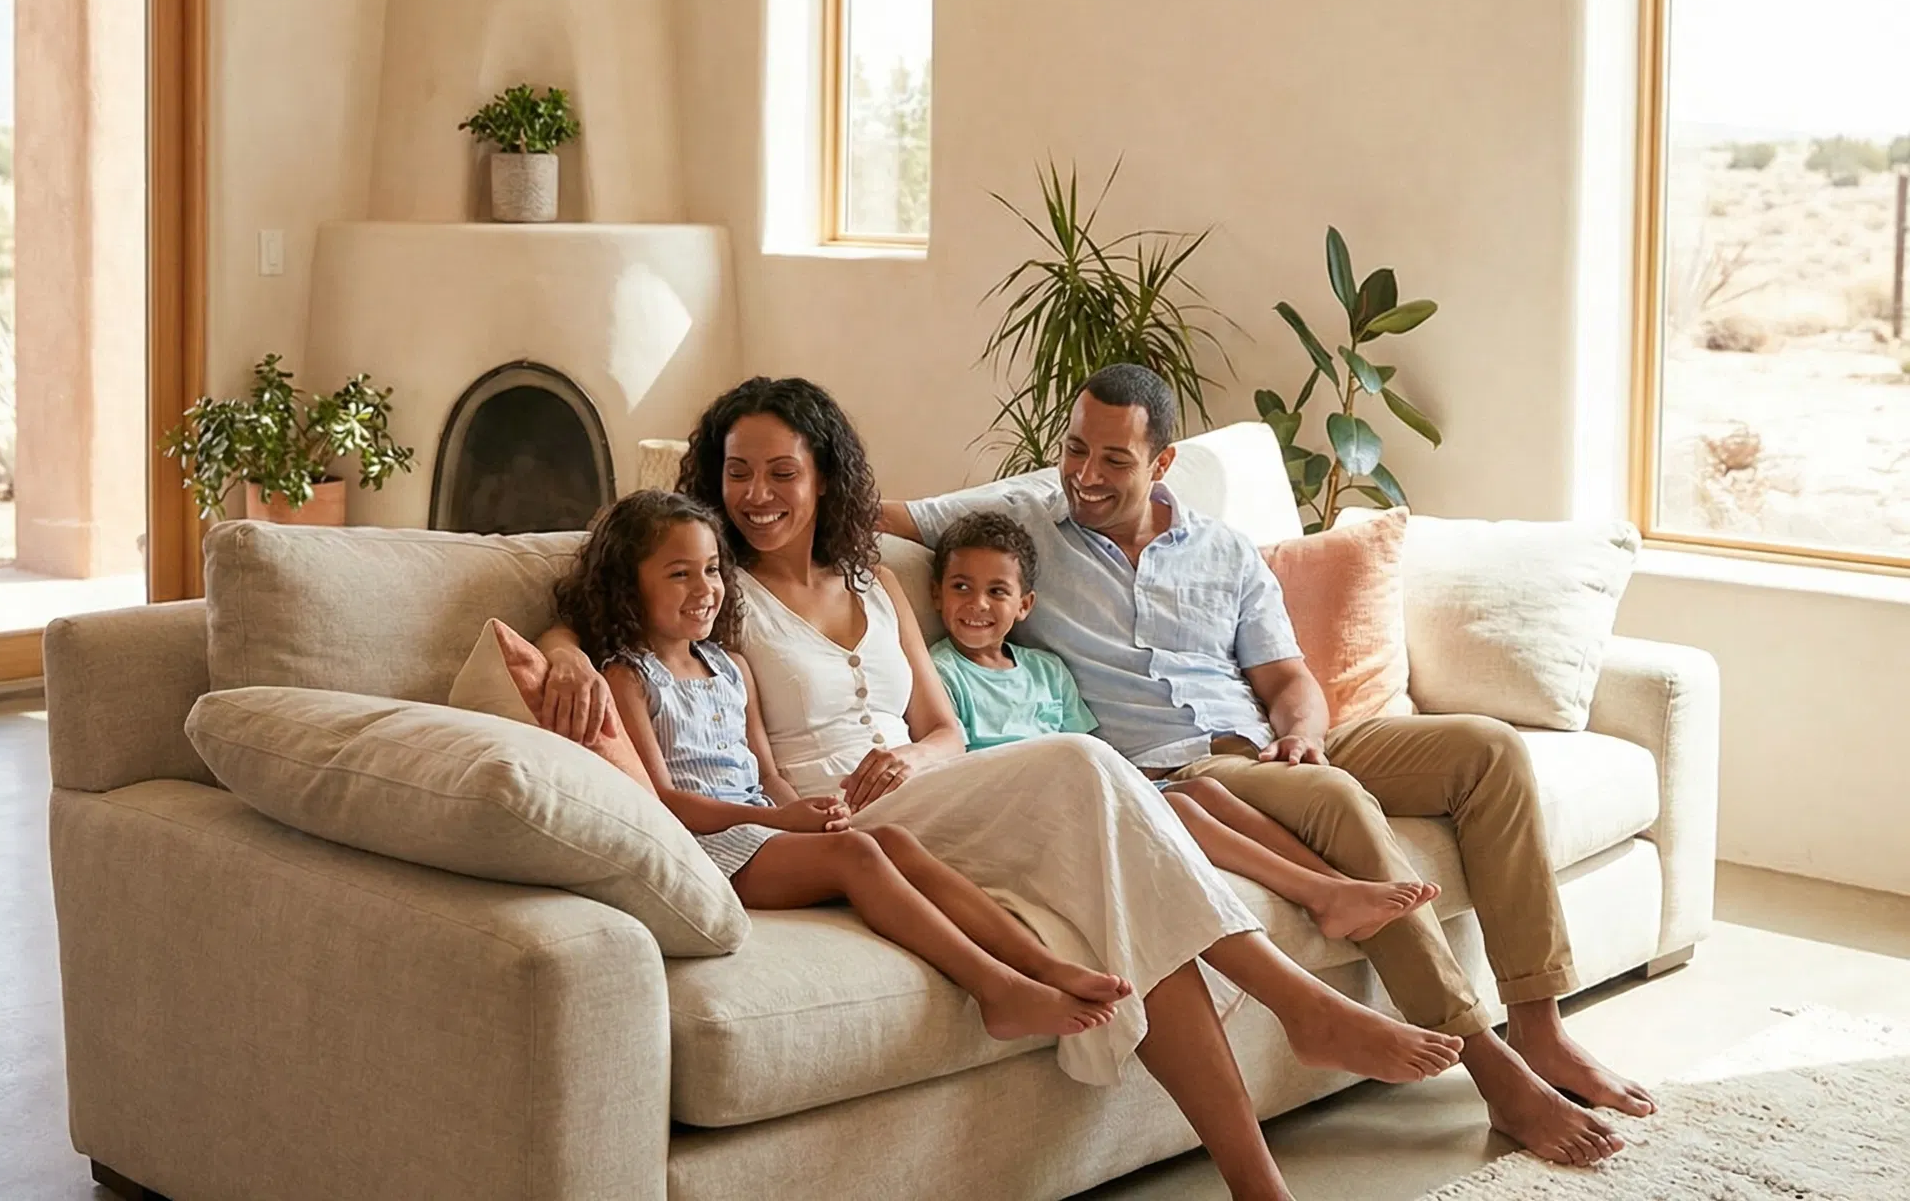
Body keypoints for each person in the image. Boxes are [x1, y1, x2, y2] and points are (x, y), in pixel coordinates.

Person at [536, 375, 1461, 1201]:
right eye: (739, 472)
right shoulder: (713, 584)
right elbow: (598, 612)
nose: (758, 495)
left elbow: (941, 728)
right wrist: (566, 655)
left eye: (782, 472)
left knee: (1121, 882)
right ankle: (1298, 1007)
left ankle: (1259, 1187)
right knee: (1086, 762)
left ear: (822, 474)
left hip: (944, 787)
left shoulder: (870, 579)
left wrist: (916, 759)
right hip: (838, 814)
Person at [881, 363, 1656, 1170]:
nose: (1085, 475)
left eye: (1114, 459)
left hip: (1276, 741)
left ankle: (1541, 1028)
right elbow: (878, 516)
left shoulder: (1220, 549)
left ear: (1163, 464)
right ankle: (1490, 1067)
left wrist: (1303, 732)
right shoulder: (1023, 524)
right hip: (1181, 770)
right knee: (1335, 800)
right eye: (1075, 450)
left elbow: (1286, 679)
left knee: (1488, 750)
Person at [555, 486, 1125, 1042]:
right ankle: (996, 989)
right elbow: (665, 802)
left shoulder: (731, 667)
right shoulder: (627, 678)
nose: (704, 588)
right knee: (856, 852)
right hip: (712, 852)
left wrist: (804, 811)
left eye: (710, 570)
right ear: (629, 584)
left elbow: (768, 774)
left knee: (893, 840)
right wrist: (784, 823)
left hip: (763, 827)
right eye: (679, 574)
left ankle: (1042, 964)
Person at [928, 507, 1442, 944]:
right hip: (1026, 805)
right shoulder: (939, 672)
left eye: (996, 591)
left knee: (1204, 793)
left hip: (1089, 787)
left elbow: (1089, 744)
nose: (977, 604)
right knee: (1180, 805)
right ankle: (1322, 893)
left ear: (1024, 605)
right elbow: (960, 760)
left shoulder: (1046, 670)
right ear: (937, 596)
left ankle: (1333, 886)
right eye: (961, 588)